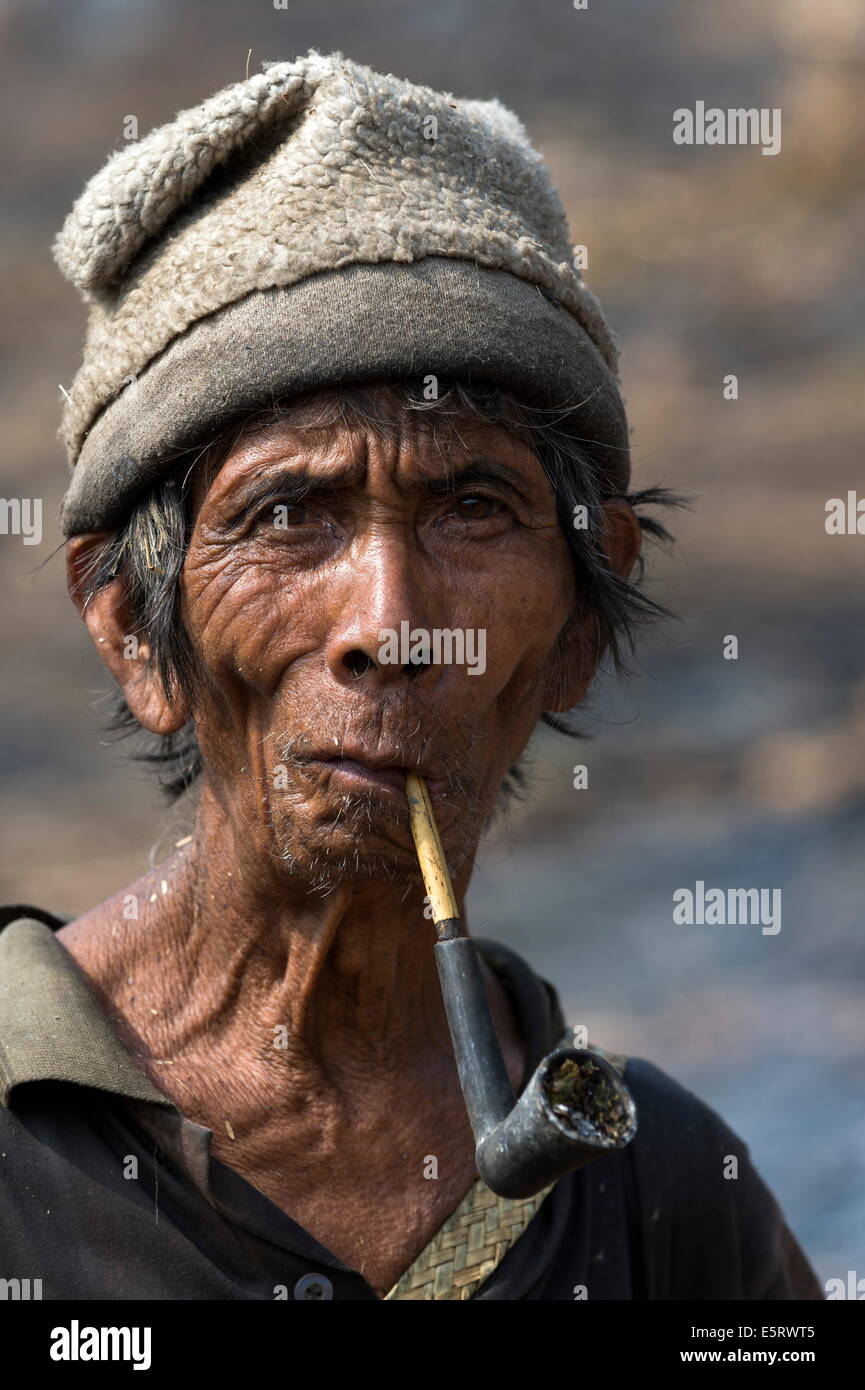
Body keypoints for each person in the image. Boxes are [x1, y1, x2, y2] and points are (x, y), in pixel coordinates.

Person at [0, 52, 823, 1301]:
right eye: (287, 514)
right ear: (131, 627)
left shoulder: (662, 1198)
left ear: (577, 628)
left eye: (474, 509)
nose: (391, 626)